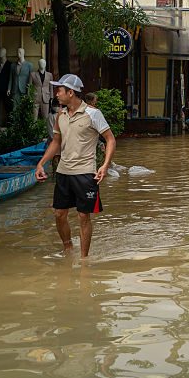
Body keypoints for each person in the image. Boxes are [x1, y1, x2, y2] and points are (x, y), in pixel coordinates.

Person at [34, 74, 116, 258]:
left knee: (83, 216)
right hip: (63, 172)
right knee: (59, 214)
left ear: (70, 92)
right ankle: (68, 247)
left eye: (59, 90)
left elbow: (110, 139)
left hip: (85, 173)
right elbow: (56, 142)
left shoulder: (93, 114)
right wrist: (41, 163)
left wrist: (105, 165)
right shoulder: (60, 115)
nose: (56, 94)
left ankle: (84, 260)